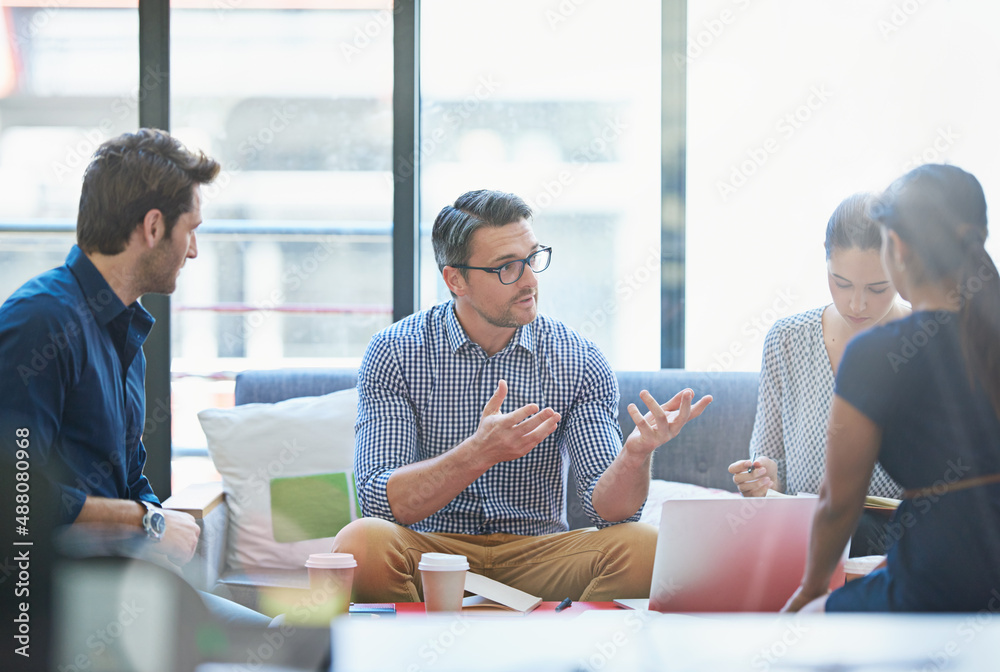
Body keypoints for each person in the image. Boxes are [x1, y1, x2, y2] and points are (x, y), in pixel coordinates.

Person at [332, 189, 711, 602]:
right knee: (361, 543)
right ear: (455, 279)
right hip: (433, 554)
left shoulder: (578, 358)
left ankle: (567, 655)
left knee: (643, 545)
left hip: (539, 554)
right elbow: (379, 502)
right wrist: (478, 452)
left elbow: (611, 513)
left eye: (532, 258)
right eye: (506, 268)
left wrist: (635, 456)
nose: (530, 280)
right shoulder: (396, 351)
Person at [0, 129, 268, 626]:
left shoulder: (122, 330)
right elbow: (15, 494)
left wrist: (147, 509)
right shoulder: (41, 322)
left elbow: (126, 474)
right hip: (48, 607)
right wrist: (145, 520)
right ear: (152, 226)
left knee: (284, 642)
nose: (192, 252)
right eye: (191, 229)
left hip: (119, 588)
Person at [784, 164, 1000, 612]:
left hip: (935, 584)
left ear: (896, 247)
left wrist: (810, 592)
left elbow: (838, 504)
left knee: (807, 623)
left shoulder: (877, 354)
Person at [729, 193, 909, 501]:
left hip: (903, 542)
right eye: (841, 282)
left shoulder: (935, 341)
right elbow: (772, 465)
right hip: (808, 538)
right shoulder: (787, 341)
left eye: (877, 288)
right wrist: (764, 479)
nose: (856, 303)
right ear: (826, 255)